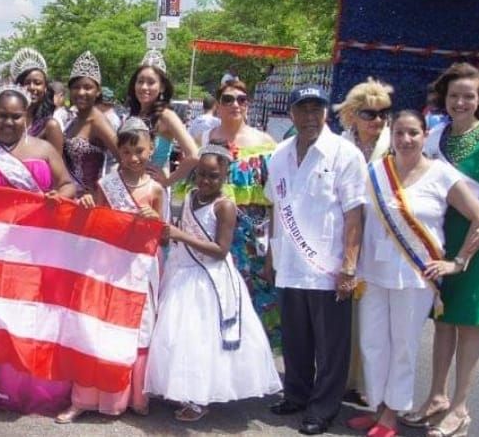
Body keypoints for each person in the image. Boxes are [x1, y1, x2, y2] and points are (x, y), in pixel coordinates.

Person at [351, 110, 479, 437]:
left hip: (415, 276)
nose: (406, 140)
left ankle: (392, 414)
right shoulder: (376, 170)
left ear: (424, 136)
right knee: (372, 343)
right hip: (373, 272)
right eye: (400, 133)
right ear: (391, 136)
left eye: (413, 134)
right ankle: (377, 407)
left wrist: (458, 261)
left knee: (403, 345)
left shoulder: (440, 174)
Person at [409, 63, 479, 437]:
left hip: (478, 237)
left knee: (467, 322)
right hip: (440, 235)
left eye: (469, 95)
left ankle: (460, 408)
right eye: (454, 95)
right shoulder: (436, 135)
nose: (461, 102)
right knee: (443, 320)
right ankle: (436, 397)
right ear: (444, 98)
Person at [148, 145, 282, 422]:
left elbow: (221, 250)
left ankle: (199, 398)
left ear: (224, 176)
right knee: (180, 335)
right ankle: (183, 389)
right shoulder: (190, 197)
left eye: (214, 176)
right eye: (202, 175)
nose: (206, 181)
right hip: (183, 272)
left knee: (202, 338)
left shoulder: (225, 206)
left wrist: (180, 235)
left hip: (210, 279)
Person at [0, 86, 77, 416]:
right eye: (2, 115)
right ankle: (1, 384)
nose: (9, 121)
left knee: (33, 315)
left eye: (16, 116)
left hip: (38, 246)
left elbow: (69, 184)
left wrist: (59, 197)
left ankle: (35, 382)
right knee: (2, 314)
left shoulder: (44, 149)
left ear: (26, 117)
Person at [266, 85, 366, 436]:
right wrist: (270, 256)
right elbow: (276, 208)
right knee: (295, 338)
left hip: (328, 267)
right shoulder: (278, 154)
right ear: (291, 113)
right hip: (290, 263)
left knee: (331, 346)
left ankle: (323, 408)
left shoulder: (344, 153)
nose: (310, 117)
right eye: (303, 109)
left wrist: (349, 265)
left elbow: (355, 215)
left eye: (316, 109)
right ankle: (296, 394)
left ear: (326, 113)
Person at [58, 117, 162, 423]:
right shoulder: (107, 185)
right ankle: (84, 398)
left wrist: (152, 218)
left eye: (139, 151)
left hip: (139, 269)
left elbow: (164, 231)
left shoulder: (156, 189)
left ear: (151, 149)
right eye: (127, 152)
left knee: (136, 328)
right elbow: (97, 224)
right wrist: (88, 205)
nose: (133, 158)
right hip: (107, 264)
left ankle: (133, 395)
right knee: (97, 327)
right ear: (118, 151)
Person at [198, 80, 280, 346]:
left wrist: (272, 252)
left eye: (242, 99)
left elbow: (276, 202)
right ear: (218, 106)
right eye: (228, 99)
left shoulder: (265, 143)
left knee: (253, 300)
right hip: (216, 233)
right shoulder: (207, 139)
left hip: (252, 238)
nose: (235, 104)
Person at [333, 78, 394, 406]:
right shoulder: (339, 145)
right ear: (353, 115)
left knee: (373, 317)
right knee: (343, 312)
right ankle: (341, 377)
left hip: (381, 240)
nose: (378, 120)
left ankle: (373, 384)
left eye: (384, 113)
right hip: (342, 235)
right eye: (370, 114)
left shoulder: (394, 147)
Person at [126, 63, 200, 192]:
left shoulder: (166, 116)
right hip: (127, 186)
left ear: (162, 87)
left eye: (151, 82)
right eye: (140, 81)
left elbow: (193, 155)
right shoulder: (134, 114)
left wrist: (168, 180)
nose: (144, 87)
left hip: (152, 191)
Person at [63, 52, 119, 196]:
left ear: (98, 91)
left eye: (88, 87)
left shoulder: (98, 121)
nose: (81, 92)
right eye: (76, 87)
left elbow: (123, 159)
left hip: (89, 204)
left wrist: (103, 193)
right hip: (69, 199)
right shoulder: (73, 120)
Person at [10, 48, 64, 153]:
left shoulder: (50, 126)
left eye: (37, 83)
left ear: (45, 88)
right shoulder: (8, 120)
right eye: (27, 83)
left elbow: (58, 167)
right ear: (19, 86)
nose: (32, 87)